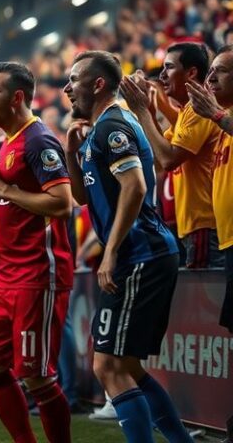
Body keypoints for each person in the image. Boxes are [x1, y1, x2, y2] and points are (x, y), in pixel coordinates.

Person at [64, 50, 191, 443]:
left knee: (108, 366)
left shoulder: (113, 125)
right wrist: (71, 151)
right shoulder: (97, 129)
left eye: (74, 80)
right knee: (127, 368)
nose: (67, 88)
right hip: (143, 252)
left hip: (140, 253)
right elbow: (83, 199)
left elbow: (135, 186)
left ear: (98, 84)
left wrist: (113, 250)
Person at [0, 62, 74, 443]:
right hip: (9, 276)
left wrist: (4, 187)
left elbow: (62, 204)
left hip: (37, 273)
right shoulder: (8, 143)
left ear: (17, 97)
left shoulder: (38, 141)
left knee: (38, 377)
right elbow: (10, 212)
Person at [120, 42, 222, 268]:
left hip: (204, 223)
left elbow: (168, 160)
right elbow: (159, 158)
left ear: (191, 72)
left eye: (169, 68)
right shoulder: (187, 110)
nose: (162, 75)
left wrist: (143, 112)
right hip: (195, 225)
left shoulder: (198, 109)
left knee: (203, 300)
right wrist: (151, 114)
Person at [186, 46, 233, 333]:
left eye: (221, 70)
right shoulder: (222, 122)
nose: (210, 76)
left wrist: (215, 114)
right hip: (228, 241)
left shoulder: (221, 119)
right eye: (210, 70)